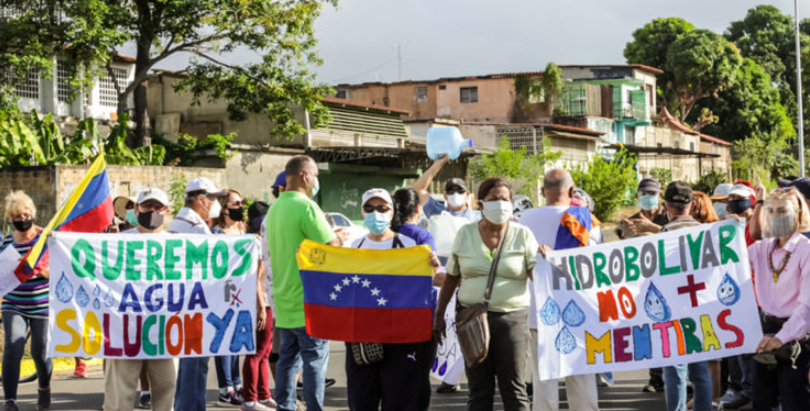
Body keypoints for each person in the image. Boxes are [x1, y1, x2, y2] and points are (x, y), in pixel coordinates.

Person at [435, 177, 537, 411]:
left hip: (512, 320)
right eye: (494, 199)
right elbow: (451, 277)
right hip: (471, 319)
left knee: (514, 388)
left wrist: (547, 259)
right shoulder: (465, 234)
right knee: (479, 391)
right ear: (480, 205)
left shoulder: (523, 235)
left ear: (512, 204)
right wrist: (439, 315)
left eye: (505, 199)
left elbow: (537, 274)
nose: (500, 204)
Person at [346, 188, 438, 411]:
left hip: (401, 336)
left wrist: (433, 268)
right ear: (362, 211)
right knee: (361, 400)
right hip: (363, 336)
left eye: (382, 208)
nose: (375, 213)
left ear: (391, 212)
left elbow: (426, 283)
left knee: (400, 400)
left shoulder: (408, 246)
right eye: (369, 208)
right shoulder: (354, 247)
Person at [266, 155, 344, 411]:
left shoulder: (274, 209)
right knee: (314, 361)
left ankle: (285, 407)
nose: (317, 181)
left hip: (284, 300)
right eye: (316, 176)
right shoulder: (307, 207)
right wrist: (339, 237)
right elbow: (332, 247)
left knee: (288, 360)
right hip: (309, 301)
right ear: (304, 175)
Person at [520, 169, 600, 411]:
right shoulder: (587, 222)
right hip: (580, 308)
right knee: (581, 372)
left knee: (544, 375)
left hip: (538, 310)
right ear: (572, 191)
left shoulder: (523, 221)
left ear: (542, 192)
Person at [103, 188, 178, 411]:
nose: (152, 211)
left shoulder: (179, 245)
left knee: (168, 391)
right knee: (119, 396)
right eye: (147, 206)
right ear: (137, 209)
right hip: (124, 330)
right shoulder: (118, 242)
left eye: (158, 207)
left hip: (165, 332)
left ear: (167, 211)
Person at [747, 187, 810, 411]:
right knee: (761, 400)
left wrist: (781, 337)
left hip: (795, 333)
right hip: (765, 330)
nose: (776, 216)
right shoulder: (760, 248)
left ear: (798, 213)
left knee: (794, 400)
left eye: (782, 210)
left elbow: (808, 305)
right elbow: (730, 265)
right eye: (771, 211)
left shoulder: (806, 249)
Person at [170, 177, 226, 411]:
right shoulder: (192, 225)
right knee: (195, 364)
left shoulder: (182, 221)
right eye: (213, 198)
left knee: (190, 365)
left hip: (188, 300)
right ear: (201, 199)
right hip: (194, 301)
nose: (216, 203)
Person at [656, 181, 712, 411]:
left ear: (665, 205)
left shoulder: (663, 235)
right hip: (701, 307)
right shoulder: (706, 233)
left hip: (672, 308)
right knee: (700, 370)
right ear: (693, 204)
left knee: (674, 369)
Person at [1, 191, 51, 411]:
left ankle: (44, 387)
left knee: (41, 351)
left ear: (34, 212)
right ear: (10, 219)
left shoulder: (47, 238)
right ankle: (10, 400)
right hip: (13, 303)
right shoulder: (6, 241)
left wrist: (37, 270)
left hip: (43, 303)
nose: (22, 219)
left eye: (26, 214)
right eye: (17, 216)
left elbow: (60, 271)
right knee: (13, 346)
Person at [212, 189, 247, 407]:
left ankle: (236, 383)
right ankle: (226, 389)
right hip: (222, 294)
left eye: (241, 202)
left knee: (236, 341)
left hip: (240, 294)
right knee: (223, 341)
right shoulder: (216, 234)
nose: (240, 207)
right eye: (236, 203)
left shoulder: (241, 231)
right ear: (224, 209)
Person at [242, 202, 276, 411]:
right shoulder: (255, 242)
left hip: (267, 300)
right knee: (256, 352)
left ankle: (263, 395)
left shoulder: (261, 240)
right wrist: (261, 306)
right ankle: (250, 399)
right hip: (261, 302)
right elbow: (254, 277)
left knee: (264, 351)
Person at [412, 155, 481, 221]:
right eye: (451, 191)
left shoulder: (478, 217)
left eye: (460, 191)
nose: (455, 194)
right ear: (445, 196)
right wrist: (438, 164)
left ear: (467, 195)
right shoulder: (438, 213)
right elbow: (418, 189)